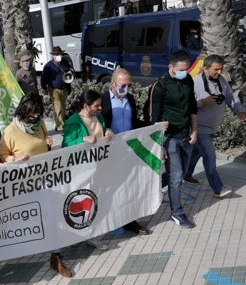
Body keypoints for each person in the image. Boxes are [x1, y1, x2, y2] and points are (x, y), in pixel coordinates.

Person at [0, 92, 73, 277]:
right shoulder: (10, 131)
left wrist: (47, 143)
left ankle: (56, 256)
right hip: (24, 183)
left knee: (51, 215)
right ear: (23, 111)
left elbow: (42, 146)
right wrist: (15, 158)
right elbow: (1, 156)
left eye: (38, 113)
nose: (36, 117)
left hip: (45, 179)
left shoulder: (41, 125)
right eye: (32, 114)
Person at [184, 54, 246, 198]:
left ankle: (186, 174)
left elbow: (230, 97)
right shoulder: (194, 83)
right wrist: (203, 102)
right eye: (216, 69)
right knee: (210, 157)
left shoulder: (221, 80)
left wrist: (241, 112)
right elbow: (185, 106)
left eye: (221, 69)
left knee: (196, 152)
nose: (219, 72)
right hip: (199, 128)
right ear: (205, 68)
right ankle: (218, 188)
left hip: (212, 127)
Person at [100, 68, 152, 236]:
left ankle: (131, 221)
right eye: (124, 85)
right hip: (110, 152)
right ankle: (110, 220)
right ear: (113, 84)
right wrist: (105, 130)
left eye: (129, 84)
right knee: (112, 187)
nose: (127, 88)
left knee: (130, 186)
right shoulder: (103, 101)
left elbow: (134, 122)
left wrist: (154, 127)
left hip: (129, 150)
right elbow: (94, 124)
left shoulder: (129, 98)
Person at [62, 90, 115, 250]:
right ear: (86, 106)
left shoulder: (99, 117)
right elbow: (66, 144)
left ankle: (93, 235)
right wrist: (82, 139)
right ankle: (77, 233)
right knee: (83, 201)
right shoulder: (73, 122)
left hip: (99, 166)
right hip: (82, 170)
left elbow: (103, 130)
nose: (100, 108)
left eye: (100, 105)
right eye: (96, 105)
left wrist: (108, 131)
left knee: (97, 199)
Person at [151, 50, 198, 229]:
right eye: (180, 69)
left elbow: (193, 107)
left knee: (181, 173)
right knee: (177, 177)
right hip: (169, 139)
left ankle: (162, 186)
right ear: (170, 67)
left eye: (186, 69)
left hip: (186, 136)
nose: (184, 72)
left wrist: (195, 130)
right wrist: (159, 144)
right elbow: (153, 118)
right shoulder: (160, 86)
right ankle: (177, 212)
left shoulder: (188, 80)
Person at [40, 46, 73, 133]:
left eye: (59, 54)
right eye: (56, 54)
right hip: (53, 89)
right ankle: (60, 127)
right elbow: (43, 78)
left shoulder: (65, 62)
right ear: (52, 56)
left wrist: (70, 72)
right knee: (58, 107)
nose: (58, 56)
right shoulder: (48, 66)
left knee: (63, 106)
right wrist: (44, 88)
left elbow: (70, 69)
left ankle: (60, 124)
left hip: (64, 88)